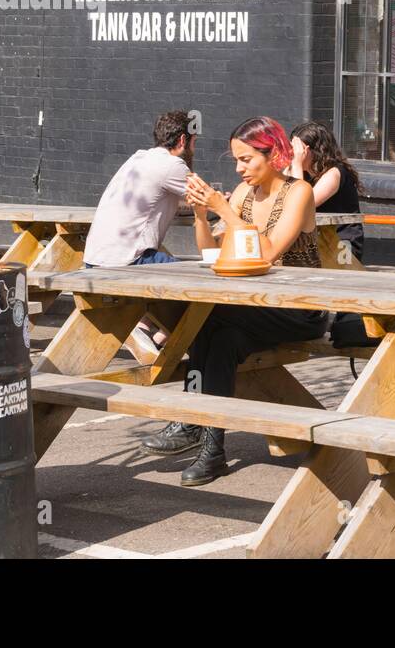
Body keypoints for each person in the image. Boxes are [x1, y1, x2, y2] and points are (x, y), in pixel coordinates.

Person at [140, 116, 330, 487]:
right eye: (236, 160)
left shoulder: (298, 192)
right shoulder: (243, 195)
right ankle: (212, 451)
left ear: (273, 153)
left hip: (300, 308)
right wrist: (200, 214)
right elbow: (213, 253)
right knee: (219, 334)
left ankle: (193, 418)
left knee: (209, 318)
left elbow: (269, 252)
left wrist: (224, 210)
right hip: (254, 308)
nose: (240, 168)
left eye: (246, 159)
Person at [83, 111, 195, 268]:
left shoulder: (137, 158)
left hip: (92, 258)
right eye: (194, 143)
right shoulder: (172, 164)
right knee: (195, 275)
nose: (193, 149)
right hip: (128, 260)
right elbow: (207, 200)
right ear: (183, 140)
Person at [287, 119, 364, 262]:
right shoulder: (302, 174)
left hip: (341, 244)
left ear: (314, 151)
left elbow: (303, 204)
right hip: (316, 241)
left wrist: (296, 164)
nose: (295, 154)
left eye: (299, 150)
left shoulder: (335, 172)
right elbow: (280, 197)